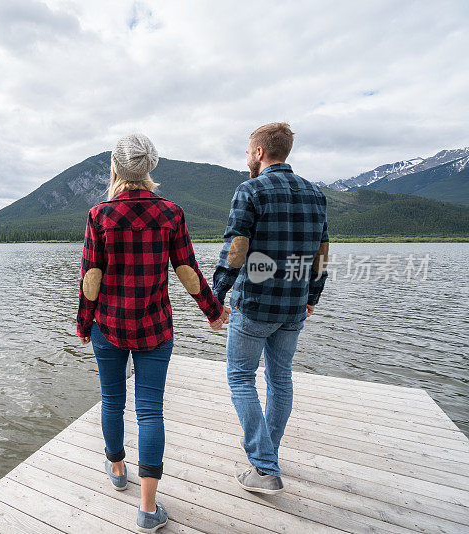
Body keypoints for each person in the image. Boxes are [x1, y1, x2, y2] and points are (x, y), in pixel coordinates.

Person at [76, 133, 228, 532]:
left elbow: (92, 276)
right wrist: (212, 312)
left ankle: (118, 468)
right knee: (150, 410)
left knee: (111, 400)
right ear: (151, 167)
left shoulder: (100, 215)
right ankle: (147, 509)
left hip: (109, 326)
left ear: (115, 168)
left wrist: (84, 321)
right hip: (155, 328)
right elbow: (187, 271)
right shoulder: (171, 213)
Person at [212, 122, 329, 494]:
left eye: (249, 151)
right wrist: (312, 297)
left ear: (260, 152)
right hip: (294, 308)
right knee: (280, 380)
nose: (247, 157)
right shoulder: (315, 194)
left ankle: (263, 467)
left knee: (241, 378)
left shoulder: (250, 190)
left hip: (255, 306)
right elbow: (322, 254)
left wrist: (215, 296)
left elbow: (237, 248)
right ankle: (267, 457)